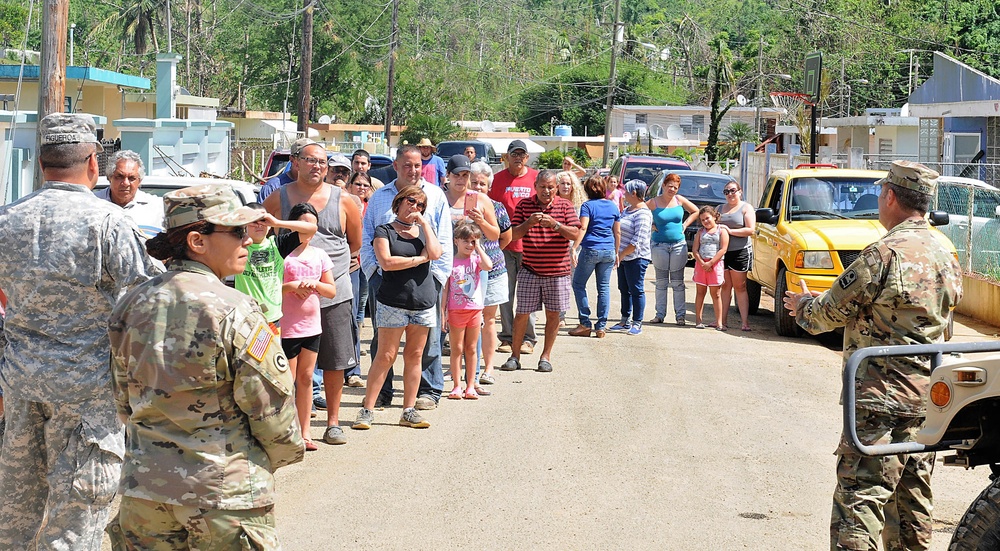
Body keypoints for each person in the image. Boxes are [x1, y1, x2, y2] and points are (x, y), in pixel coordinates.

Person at [108, 184, 304, 549]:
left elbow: (123, 401)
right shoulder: (236, 309)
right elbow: (271, 411)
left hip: (147, 492)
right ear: (197, 241)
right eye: (237, 232)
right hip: (222, 495)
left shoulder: (130, 305)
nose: (248, 241)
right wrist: (275, 459)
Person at [782, 161, 963, 551]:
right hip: (928, 395)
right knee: (911, 499)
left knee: (860, 499)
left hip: (878, 395)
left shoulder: (884, 253)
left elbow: (829, 312)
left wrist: (803, 306)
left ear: (891, 197)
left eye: (881, 194)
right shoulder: (945, 253)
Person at [0, 114, 158, 550]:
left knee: (14, 515)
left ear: (41, 164)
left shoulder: (5, 220)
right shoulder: (108, 222)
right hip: (86, 395)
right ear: (93, 162)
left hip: (20, 384)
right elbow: (148, 298)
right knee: (73, 523)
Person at [262, 141, 362, 446]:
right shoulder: (279, 197)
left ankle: (333, 423)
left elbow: (355, 242)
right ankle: (289, 427)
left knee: (334, 360)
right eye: (310, 160)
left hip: (333, 292)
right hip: (288, 299)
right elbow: (261, 233)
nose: (316, 166)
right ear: (296, 162)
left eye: (322, 161)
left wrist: (326, 274)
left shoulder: (343, 200)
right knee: (287, 369)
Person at [361, 144, 452, 411]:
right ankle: (382, 392)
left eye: (417, 165)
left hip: (426, 282)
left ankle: (429, 390)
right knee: (383, 343)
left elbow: (443, 239)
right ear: (396, 166)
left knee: (427, 342)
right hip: (386, 281)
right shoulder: (380, 198)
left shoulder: (435, 196)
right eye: (407, 165)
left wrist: (436, 278)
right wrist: (374, 271)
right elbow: (368, 237)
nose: (413, 170)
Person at [353, 186, 443, 429]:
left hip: (423, 301)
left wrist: (424, 225)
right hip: (393, 300)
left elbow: (436, 252)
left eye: (421, 205)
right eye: (412, 201)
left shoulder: (425, 230)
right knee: (386, 356)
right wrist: (419, 259)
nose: (416, 207)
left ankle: (408, 410)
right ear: (399, 202)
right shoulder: (385, 230)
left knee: (414, 356)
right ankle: (367, 410)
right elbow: (387, 262)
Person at [500, 170, 581, 373]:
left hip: (558, 271)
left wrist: (555, 225)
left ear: (556, 188)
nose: (547, 191)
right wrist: (529, 223)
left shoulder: (565, 205)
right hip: (530, 269)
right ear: (535, 186)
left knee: (553, 315)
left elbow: (575, 232)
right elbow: (513, 234)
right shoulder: (525, 205)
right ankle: (515, 355)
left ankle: (545, 356)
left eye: (551, 187)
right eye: (543, 186)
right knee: (522, 314)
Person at [280, 202, 338, 451]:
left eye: (312, 224)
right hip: (286, 326)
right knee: (287, 380)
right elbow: (272, 288)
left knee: (305, 379)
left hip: (311, 327)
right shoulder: (282, 253)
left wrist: (312, 284)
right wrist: (293, 286)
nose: (308, 229)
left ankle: (305, 432)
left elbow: (331, 290)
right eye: (303, 223)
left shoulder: (320, 254)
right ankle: (286, 432)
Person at [233, 202, 316, 336]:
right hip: (245, 317)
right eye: (253, 221)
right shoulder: (238, 245)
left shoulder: (277, 244)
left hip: (272, 319)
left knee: (272, 356)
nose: (259, 225)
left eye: (262, 220)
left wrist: (277, 222)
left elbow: (311, 229)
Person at [488, 139, 538, 355]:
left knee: (528, 295)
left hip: (530, 246)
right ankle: (507, 337)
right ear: (506, 157)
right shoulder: (497, 179)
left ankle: (528, 339)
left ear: (527, 158)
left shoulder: (536, 178)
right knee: (505, 294)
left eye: (522, 154)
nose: (518, 158)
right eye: (514, 154)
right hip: (504, 245)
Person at [469, 161, 512, 386]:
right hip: (465, 273)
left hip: (493, 270)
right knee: (467, 321)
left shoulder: (497, 207)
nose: (477, 187)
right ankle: (468, 369)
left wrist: (481, 221)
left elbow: (504, 236)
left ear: (489, 186)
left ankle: (488, 368)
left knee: (488, 319)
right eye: (473, 182)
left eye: (482, 183)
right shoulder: (460, 205)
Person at [444, 221, 493, 400]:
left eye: (473, 241)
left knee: (472, 348)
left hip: (474, 310)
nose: (469, 245)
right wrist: (444, 311)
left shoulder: (477, 259)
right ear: (456, 241)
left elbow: (489, 266)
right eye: (466, 241)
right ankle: (457, 385)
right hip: (456, 310)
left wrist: (479, 247)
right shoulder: (451, 260)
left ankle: (471, 385)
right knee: (456, 348)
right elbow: (446, 288)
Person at [568, 175, 620, 338]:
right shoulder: (613, 206)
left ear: (587, 190)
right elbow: (617, 231)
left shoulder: (587, 206)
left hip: (591, 248)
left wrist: (574, 248)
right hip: (608, 249)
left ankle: (585, 323)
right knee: (603, 287)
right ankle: (601, 326)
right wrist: (617, 252)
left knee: (578, 284)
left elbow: (583, 228)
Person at [646, 172, 698, 325]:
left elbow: (695, 211)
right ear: (663, 185)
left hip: (678, 245)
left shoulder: (679, 200)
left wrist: (685, 224)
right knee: (661, 282)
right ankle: (659, 315)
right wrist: (651, 224)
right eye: (670, 186)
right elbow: (640, 212)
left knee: (678, 282)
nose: (672, 190)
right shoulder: (653, 202)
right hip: (659, 245)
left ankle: (680, 316)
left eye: (675, 187)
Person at [610, 180, 653, 335]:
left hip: (636, 258)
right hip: (623, 257)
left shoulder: (643, 213)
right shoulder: (627, 209)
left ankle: (637, 322)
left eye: (626, 192)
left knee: (636, 289)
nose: (624, 194)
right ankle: (624, 320)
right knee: (624, 288)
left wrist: (621, 255)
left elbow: (638, 240)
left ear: (634, 193)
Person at [95, 149, 165, 238]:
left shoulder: (157, 207)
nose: (125, 183)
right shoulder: (93, 203)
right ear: (109, 177)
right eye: (119, 177)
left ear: (139, 181)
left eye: (132, 178)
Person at [718, 181, 756, 332]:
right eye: (726, 191)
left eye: (733, 190)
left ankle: (744, 322)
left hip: (740, 251)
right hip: (723, 252)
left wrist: (730, 231)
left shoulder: (746, 208)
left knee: (740, 287)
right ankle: (722, 320)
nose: (730, 194)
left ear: (740, 191)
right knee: (725, 286)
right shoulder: (720, 208)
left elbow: (750, 230)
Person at [691, 206, 729, 330]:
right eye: (702, 220)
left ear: (714, 217)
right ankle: (698, 320)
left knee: (716, 294)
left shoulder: (721, 231)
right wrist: (702, 263)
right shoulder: (700, 233)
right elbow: (695, 250)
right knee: (700, 292)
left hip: (715, 265)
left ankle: (719, 323)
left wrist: (711, 263)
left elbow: (723, 249)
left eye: (707, 218)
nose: (705, 221)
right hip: (701, 265)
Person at [258, 137, 312, 201]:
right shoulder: (273, 187)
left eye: (318, 160)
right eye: (308, 159)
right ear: (292, 159)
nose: (315, 165)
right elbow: (262, 210)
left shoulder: (320, 188)